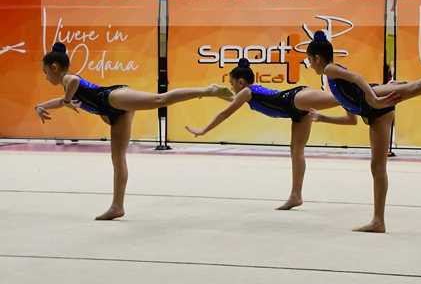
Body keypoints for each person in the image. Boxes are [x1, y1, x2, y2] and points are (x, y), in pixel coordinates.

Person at [306, 31, 421, 233]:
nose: (310, 64)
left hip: (376, 100)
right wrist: (323, 118)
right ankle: (378, 221)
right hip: (376, 113)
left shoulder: (330, 69)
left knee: (417, 86)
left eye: (309, 60)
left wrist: (375, 98)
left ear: (317, 58)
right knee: (377, 167)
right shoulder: (333, 81)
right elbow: (351, 120)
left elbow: (357, 78)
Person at [36, 42, 232, 220]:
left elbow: (74, 82)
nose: (46, 77)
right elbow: (61, 101)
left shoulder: (68, 79)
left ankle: (208, 91)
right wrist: (41, 106)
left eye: (45, 72)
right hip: (113, 113)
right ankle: (117, 206)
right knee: (118, 159)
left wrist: (67, 100)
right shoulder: (65, 87)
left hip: (111, 97)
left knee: (159, 99)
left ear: (54, 67)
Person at [185, 57, 374, 211]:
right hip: (295, 111)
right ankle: (295, 196)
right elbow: (232, 99)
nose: (232, 87)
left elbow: (225, 113)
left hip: (296, 98)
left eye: (232, 83)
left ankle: (377, 89)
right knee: (296, 151)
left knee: (340, 97)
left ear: (241, 82)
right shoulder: (247, 93)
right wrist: (215, 92)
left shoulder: (247, 92)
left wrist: (203, 130)